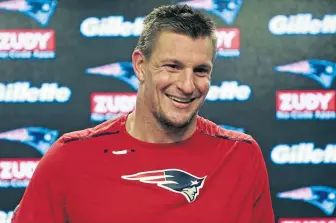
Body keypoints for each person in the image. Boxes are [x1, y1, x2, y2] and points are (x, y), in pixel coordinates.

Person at [11, 4, 275, 223]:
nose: (187, 85)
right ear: (140, 66)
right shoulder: (69, 158)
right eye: (172, 66)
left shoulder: (241, 156)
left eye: (200, 71)